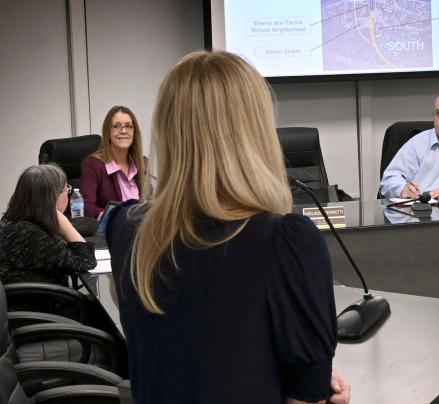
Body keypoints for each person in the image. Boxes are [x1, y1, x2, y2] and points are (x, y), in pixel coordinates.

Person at [107, 51, 349, 404]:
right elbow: (306, 394)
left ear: (167, 129)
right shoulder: (287, 242)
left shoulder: (125, 230)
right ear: (256, 129)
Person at [0, 164, 97, 285]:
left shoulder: (13, 221)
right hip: (36, 302)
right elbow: (86, 261)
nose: (68, 194)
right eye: (67, 190)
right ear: (52, 198)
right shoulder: (29, 234)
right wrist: (64, 222)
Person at [80, 105, 147, 219]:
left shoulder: (143, 163)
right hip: (112, 231)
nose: (124, 131)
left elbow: (152, 201)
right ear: (108, 132)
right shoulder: (92, 164)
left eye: (129, 126)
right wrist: (118, 217)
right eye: (116, 126)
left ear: (134, 132)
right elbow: (86, 207)